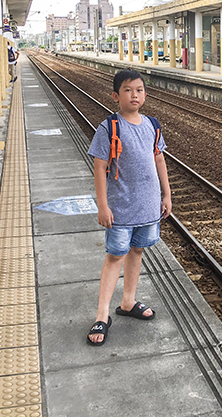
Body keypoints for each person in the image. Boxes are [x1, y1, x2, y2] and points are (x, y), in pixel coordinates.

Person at [86, 69, 172, 346]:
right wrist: (103, 205)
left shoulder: (152, 125)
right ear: (115, 96)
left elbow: (159, 160)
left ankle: (128, 301)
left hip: (148, 206)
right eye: (128, 90)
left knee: (137, 250)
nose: (134, 95)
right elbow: (99, 167)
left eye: (139, 90)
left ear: (145, 94)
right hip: (121, 208)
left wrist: (167, 195)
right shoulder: (109, 127)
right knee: (115, 256)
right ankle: (102, 315)